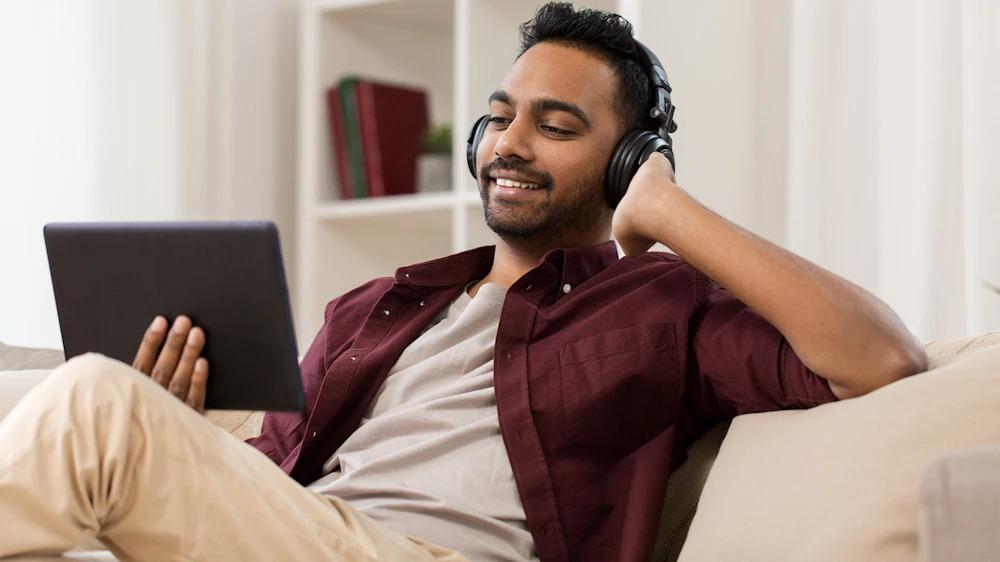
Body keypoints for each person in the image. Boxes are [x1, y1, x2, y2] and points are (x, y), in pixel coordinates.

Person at [0, 3, 927, 562]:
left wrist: (669, 211)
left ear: (630, 159)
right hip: (313, 534)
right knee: (109, 410)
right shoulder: (373, 307)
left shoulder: (660, 305)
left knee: (89, 400)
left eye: (556, 125)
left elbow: (877, 359)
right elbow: (269, 482)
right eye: (499, 117)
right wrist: (176, 424)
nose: (510, 144)